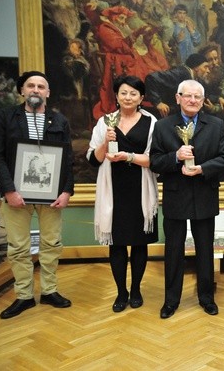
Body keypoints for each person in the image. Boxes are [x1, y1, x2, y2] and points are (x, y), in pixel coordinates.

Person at [150, 79, 224, 318]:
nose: (192, 100)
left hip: (205, 194)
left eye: (197, 97)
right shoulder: (163, 126)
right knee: (173, 250)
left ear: (202, 100)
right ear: (178, 98)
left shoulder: (215, 125)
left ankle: (207, 298)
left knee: (205, 249)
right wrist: (175, 157)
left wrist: (203, 168)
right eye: (188, 96)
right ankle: (171, 301)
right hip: (176, 196)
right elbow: (155, 161)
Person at [0, 71, 74, 319]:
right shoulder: (6, 117)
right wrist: (9, 190)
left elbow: (68, 160)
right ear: (22, 90)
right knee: (18, 248)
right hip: (16, 196)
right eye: (31, 85)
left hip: (51, 197)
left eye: (41, 86)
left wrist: (66, 191)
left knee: (52, 244)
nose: (36, 90)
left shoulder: (59, 121)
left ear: (48, 93)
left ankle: (49, 291)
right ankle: (24, 296)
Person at [86, 75, 159, 312]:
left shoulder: (151, 122)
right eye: (124, 93)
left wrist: (128, 157)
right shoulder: (104, 122)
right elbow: (93, 159)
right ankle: (121, 292)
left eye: (134, 93)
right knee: (117, 245)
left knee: (139, 244)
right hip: (113, 190)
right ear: (116, 96)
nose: (128, 97)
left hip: (140, 190)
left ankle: (136, 289)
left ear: (141, 98)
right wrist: (105, 144)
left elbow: (155, 160)